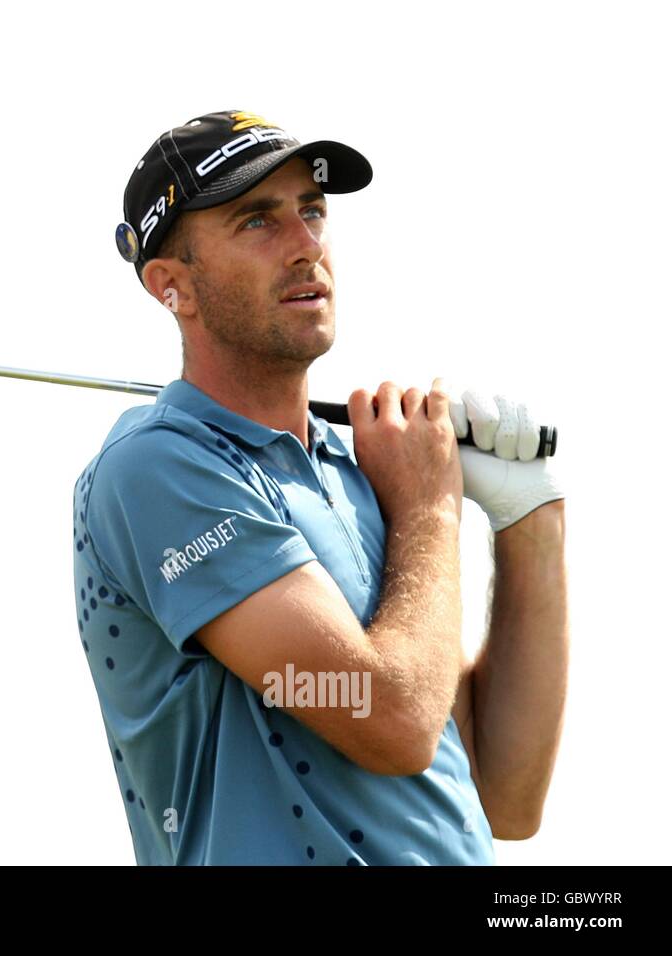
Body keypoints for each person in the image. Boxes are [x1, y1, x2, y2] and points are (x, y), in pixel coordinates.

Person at [73, 109, 568, 865]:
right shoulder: (159, 468)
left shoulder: (362, 467)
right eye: (257, 222)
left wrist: (530, 517)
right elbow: (391, 717)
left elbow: (506, 793)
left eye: (312, 211)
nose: (307, 246)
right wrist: (431, 507)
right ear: (174, 287)